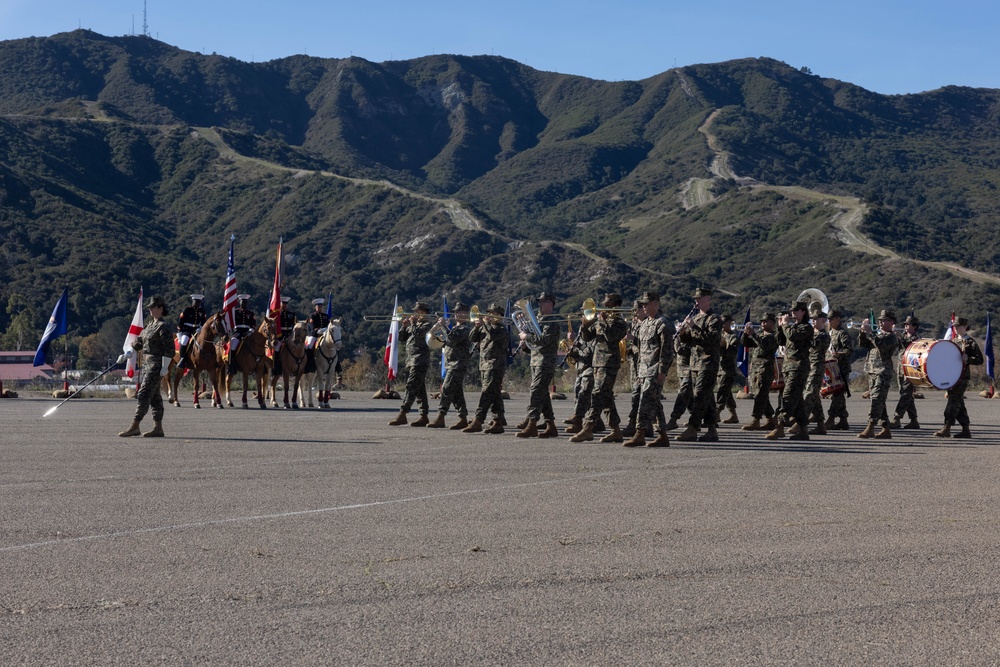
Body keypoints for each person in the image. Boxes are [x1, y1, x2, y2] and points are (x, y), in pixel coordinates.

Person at [573, 293, 630, 443]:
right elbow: (588, 338)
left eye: (607, 303)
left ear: (615, 304)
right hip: (597, 362)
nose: (603, 306)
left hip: (610, 363)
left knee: (597, 394)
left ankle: (588, 428)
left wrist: (603, 322)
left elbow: (612, 337)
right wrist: (584, 327)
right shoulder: (600, 320)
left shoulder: (620, 322)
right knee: (606, 397)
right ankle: (616, 430)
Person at [118, 296, 175, 438]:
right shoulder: (150, 326)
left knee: (143, 394)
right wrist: (128, 353)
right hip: (147, 365)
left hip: (156, 366)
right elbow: (139, 343)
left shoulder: (163, 327)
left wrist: (165, 367)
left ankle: (135, 426)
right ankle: (158, 428)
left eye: (153, 307)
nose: (150, 310)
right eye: (149, 307)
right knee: (155, 397)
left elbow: (170, 350)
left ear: (161, 309)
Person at [624, 291, 674, 447]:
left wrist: (662, 371)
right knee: (655, 403)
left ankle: (640, 433)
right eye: (643, 304)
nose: (644, 307)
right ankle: (663, 435)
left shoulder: (663, 324)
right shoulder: (644, 324)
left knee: (645, 400)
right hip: (644, 370)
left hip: (654, 369)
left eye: (647, 304)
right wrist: (639, 371)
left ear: (656, 304)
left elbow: (666, 351)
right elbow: (641, 349)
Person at [676, 287, 723, 443]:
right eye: (695, 299)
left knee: (700, 396)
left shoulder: (714, 319)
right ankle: (711, 429)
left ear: (708, 300)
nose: (696, 301)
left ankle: (692, 427)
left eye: (699, 299)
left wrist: (692, 327)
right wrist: (682, 333)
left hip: (708, 362)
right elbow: (690, 341)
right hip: (695, 363)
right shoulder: (695, 318)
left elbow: (711, 339)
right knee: (707, 397)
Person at [516, 292, 561, 438]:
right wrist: (525, 345)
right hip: (535, 361)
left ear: (551, 304)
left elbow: (543, 340)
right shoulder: (539, 321)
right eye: (540, 302)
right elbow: (534, 346)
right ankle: (550, 425)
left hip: (546, 362)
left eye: (544, 302)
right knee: (543, 394)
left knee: (536, 391)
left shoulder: (552, 322)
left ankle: (532, 423)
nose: (540, 305)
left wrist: (526, 336)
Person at [766, 301, 813, 441]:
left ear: (803, 311)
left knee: (787, 398)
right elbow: (781, 341)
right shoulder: (792, 327)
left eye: (796, 310)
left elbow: (793, 336)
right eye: (792, 311)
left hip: (798, 368)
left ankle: (779, 427)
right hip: (789, 368)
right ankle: (804, 430)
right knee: (797, 401)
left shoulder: (806, 328)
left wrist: (785, 325)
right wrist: (780, 327)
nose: (793, 313)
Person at [465, 303, 510, 434]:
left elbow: (493, 336)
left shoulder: (501, 329)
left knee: (486, 393)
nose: (489, 316)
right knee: (494, 394)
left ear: (499, 316)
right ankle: (498, 421)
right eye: (489, 313)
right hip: (484, 364)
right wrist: (476, 326)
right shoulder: (485, 327)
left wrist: (485, 324)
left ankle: (478, 420)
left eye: (493, 313)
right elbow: (472, 338)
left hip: (495, 364)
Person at [936, 317, 984, 439]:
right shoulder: (953, 341)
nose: (955, 329)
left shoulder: (970, 342)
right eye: (954, 326)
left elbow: (980, 359)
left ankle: (947, 427)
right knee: (958, 403)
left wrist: (968, 359)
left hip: (962, 377)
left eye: (958, 326)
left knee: (953, 401)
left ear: (965, 326)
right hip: (952, 376)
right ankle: (965, 429)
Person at [428, 302, 472, 430]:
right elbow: (437, 337)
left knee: (446, 390)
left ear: (466, 314)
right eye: (456, 312)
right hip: (450, 364)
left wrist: (444, 326)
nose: (457, 314)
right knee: (457, 393)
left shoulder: (465, 329)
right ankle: (463, 418)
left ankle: (441, 417)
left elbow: (452, 339)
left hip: (458, 364)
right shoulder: (453, 328)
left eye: (461, 312)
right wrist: (438, 326)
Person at [388, 301, 434, 426]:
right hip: (411, 360)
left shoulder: (427, 325)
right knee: (419, 389)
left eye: (419, 312)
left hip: (420, 360)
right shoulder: (415, 324)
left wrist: (412, 323)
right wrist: (404, 326)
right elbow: (402, 338)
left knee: (411, 386)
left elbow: (418, 335)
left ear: (425, 313)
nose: (416, 314)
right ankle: (424, 415)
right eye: (416, 312)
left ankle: (403, 413)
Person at [857, 310, 898, 439]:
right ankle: (886, 428)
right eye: (880, 320)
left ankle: (870, 427)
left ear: (891, 322)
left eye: (884, 320)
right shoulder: (878, 335)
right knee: (880, 401)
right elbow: (863, 344)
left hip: (882, 371)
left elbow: (881, 346)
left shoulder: (891, 337)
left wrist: (870, 332)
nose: (880, 322)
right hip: (872, 370)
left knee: (876, 400)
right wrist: (863, 332)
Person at [741, 313, 778, 431]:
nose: (763, 323)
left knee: (761, 395)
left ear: (773, 323)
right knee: (760, 395)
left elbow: (764, 346)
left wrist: (753, 334)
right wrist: (747, 334)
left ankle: (756, 419)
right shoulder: (760, 335)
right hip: (756, 369)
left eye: (766, 321)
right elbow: (746, 344)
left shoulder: (774, 336)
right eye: (762, 321)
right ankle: (770, 419)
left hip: (765, 369)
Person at [802, 306, 831, 435]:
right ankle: (820, 425)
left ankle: (801, 423)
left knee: (808, 396)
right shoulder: (812, 334)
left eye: (816, 319)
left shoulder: (824, 336)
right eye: (812, 319)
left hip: (816, 368)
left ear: (823, 321)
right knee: (815, 397)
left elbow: (813, 344)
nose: (813, 321)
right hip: (809, 367)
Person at [622, 300, 647, 437]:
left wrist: (634, 339)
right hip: (635, 363)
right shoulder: (634, 324)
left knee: (639, 395)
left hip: (644, 364)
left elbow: (649, 344)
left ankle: (635, 424)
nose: (635, 312)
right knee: (637, 395)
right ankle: (643, 425)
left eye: (637, 309)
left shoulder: (648, 324)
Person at [825, 310, 854, 430]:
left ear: (838, 319)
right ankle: (843, 420)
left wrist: (839, 354)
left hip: (840, 367)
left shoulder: (842, 333)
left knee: (837, 394)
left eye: (832, 319)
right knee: (837, 394)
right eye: (828, 319)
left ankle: (831, 418)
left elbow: (849, 350)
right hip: (831, 367)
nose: (829, 321)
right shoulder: (829, 332)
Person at [891, 315, 921, 429]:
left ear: (914, 327)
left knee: (905, 395)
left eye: (907, 325)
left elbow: (910, 347)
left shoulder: (916, 339)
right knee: (907, 395)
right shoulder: (903, 336)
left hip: (910, 370)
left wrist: (900, 338)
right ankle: (914, 420)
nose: (905, 326)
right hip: (901, 368)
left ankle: (897, 418)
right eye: (904, 325)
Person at [564, 330, 595, 435]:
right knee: (577, 393)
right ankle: (579, 423)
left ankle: (578, 419)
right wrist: (572, 351)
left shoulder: (593, 333)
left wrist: (579, 345)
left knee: (584, 394)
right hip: (581, 368)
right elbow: (580, 354)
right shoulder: (581, 333)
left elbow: (591, 352)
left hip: (590, 368)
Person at [715, 314, 740, 425]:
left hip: (728, 370)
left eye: (725, 322)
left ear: (730, 323)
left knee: (722, 392)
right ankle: (733, 415)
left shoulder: (733, 337)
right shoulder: (720, 335)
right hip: (720, 368)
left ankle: (716, 414)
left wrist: (722, 347)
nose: (722, 324)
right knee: (727, 393)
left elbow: (732, 353)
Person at [176, 294, 207, 369]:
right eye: (196, 302)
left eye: (199, 302)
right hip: (187, 330)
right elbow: (181, 322)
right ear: (192, 302)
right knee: (184, 341)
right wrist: (180, 332)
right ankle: (182, 359)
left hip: (197, 330)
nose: (197, 304)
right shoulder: (187, 310)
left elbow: (203, 322)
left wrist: (201, 328)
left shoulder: (202, 311)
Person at [228, 294, 257, 375]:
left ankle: (259, 364)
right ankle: (231, 365)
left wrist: (251, 330)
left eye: (245, 302)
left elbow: (253, 324)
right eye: (242, 302)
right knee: (232, 345)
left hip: (248, 333)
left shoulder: (251, 313)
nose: (243, 304)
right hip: (237, 332)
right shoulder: (235, 312)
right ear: (239, 302)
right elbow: (230, 322)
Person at [271, 297, 297, 377]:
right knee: (277, 348)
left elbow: (295, 324)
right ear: (280, 304)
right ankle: (277, 366)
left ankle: (298, 365)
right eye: (283, 304)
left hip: (290, 334)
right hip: (281, 334)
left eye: (286, 304)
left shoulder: (291, 314)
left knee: (299, 346)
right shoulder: (278, 314)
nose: (285, 305)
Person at [304, 298, 331, 374]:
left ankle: (335, 364)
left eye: (320, 306)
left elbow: (328, 325)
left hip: (324, 333)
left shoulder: (325, 316)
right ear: (315, 307)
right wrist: (316, 330)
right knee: (309, 346)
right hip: (315, 334)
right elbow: (311, 326)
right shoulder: (313, 315)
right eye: (318, 306)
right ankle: (309, 363)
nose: (319, 308)